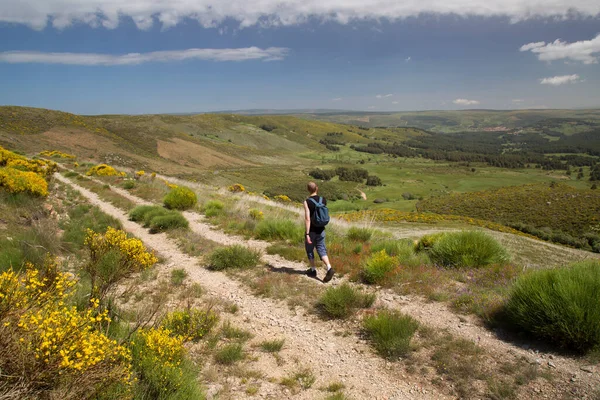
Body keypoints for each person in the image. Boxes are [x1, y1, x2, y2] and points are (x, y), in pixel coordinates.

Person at [304, 181, 335, 283]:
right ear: (317, 188)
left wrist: (307, 234)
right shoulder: (323, 200)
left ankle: (313, 270)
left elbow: (308, 219)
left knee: (310, 250)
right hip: (321, 229)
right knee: (321, 249)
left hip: (312, 230)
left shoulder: (307, 202)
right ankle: (329, 267)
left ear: (308, 190)